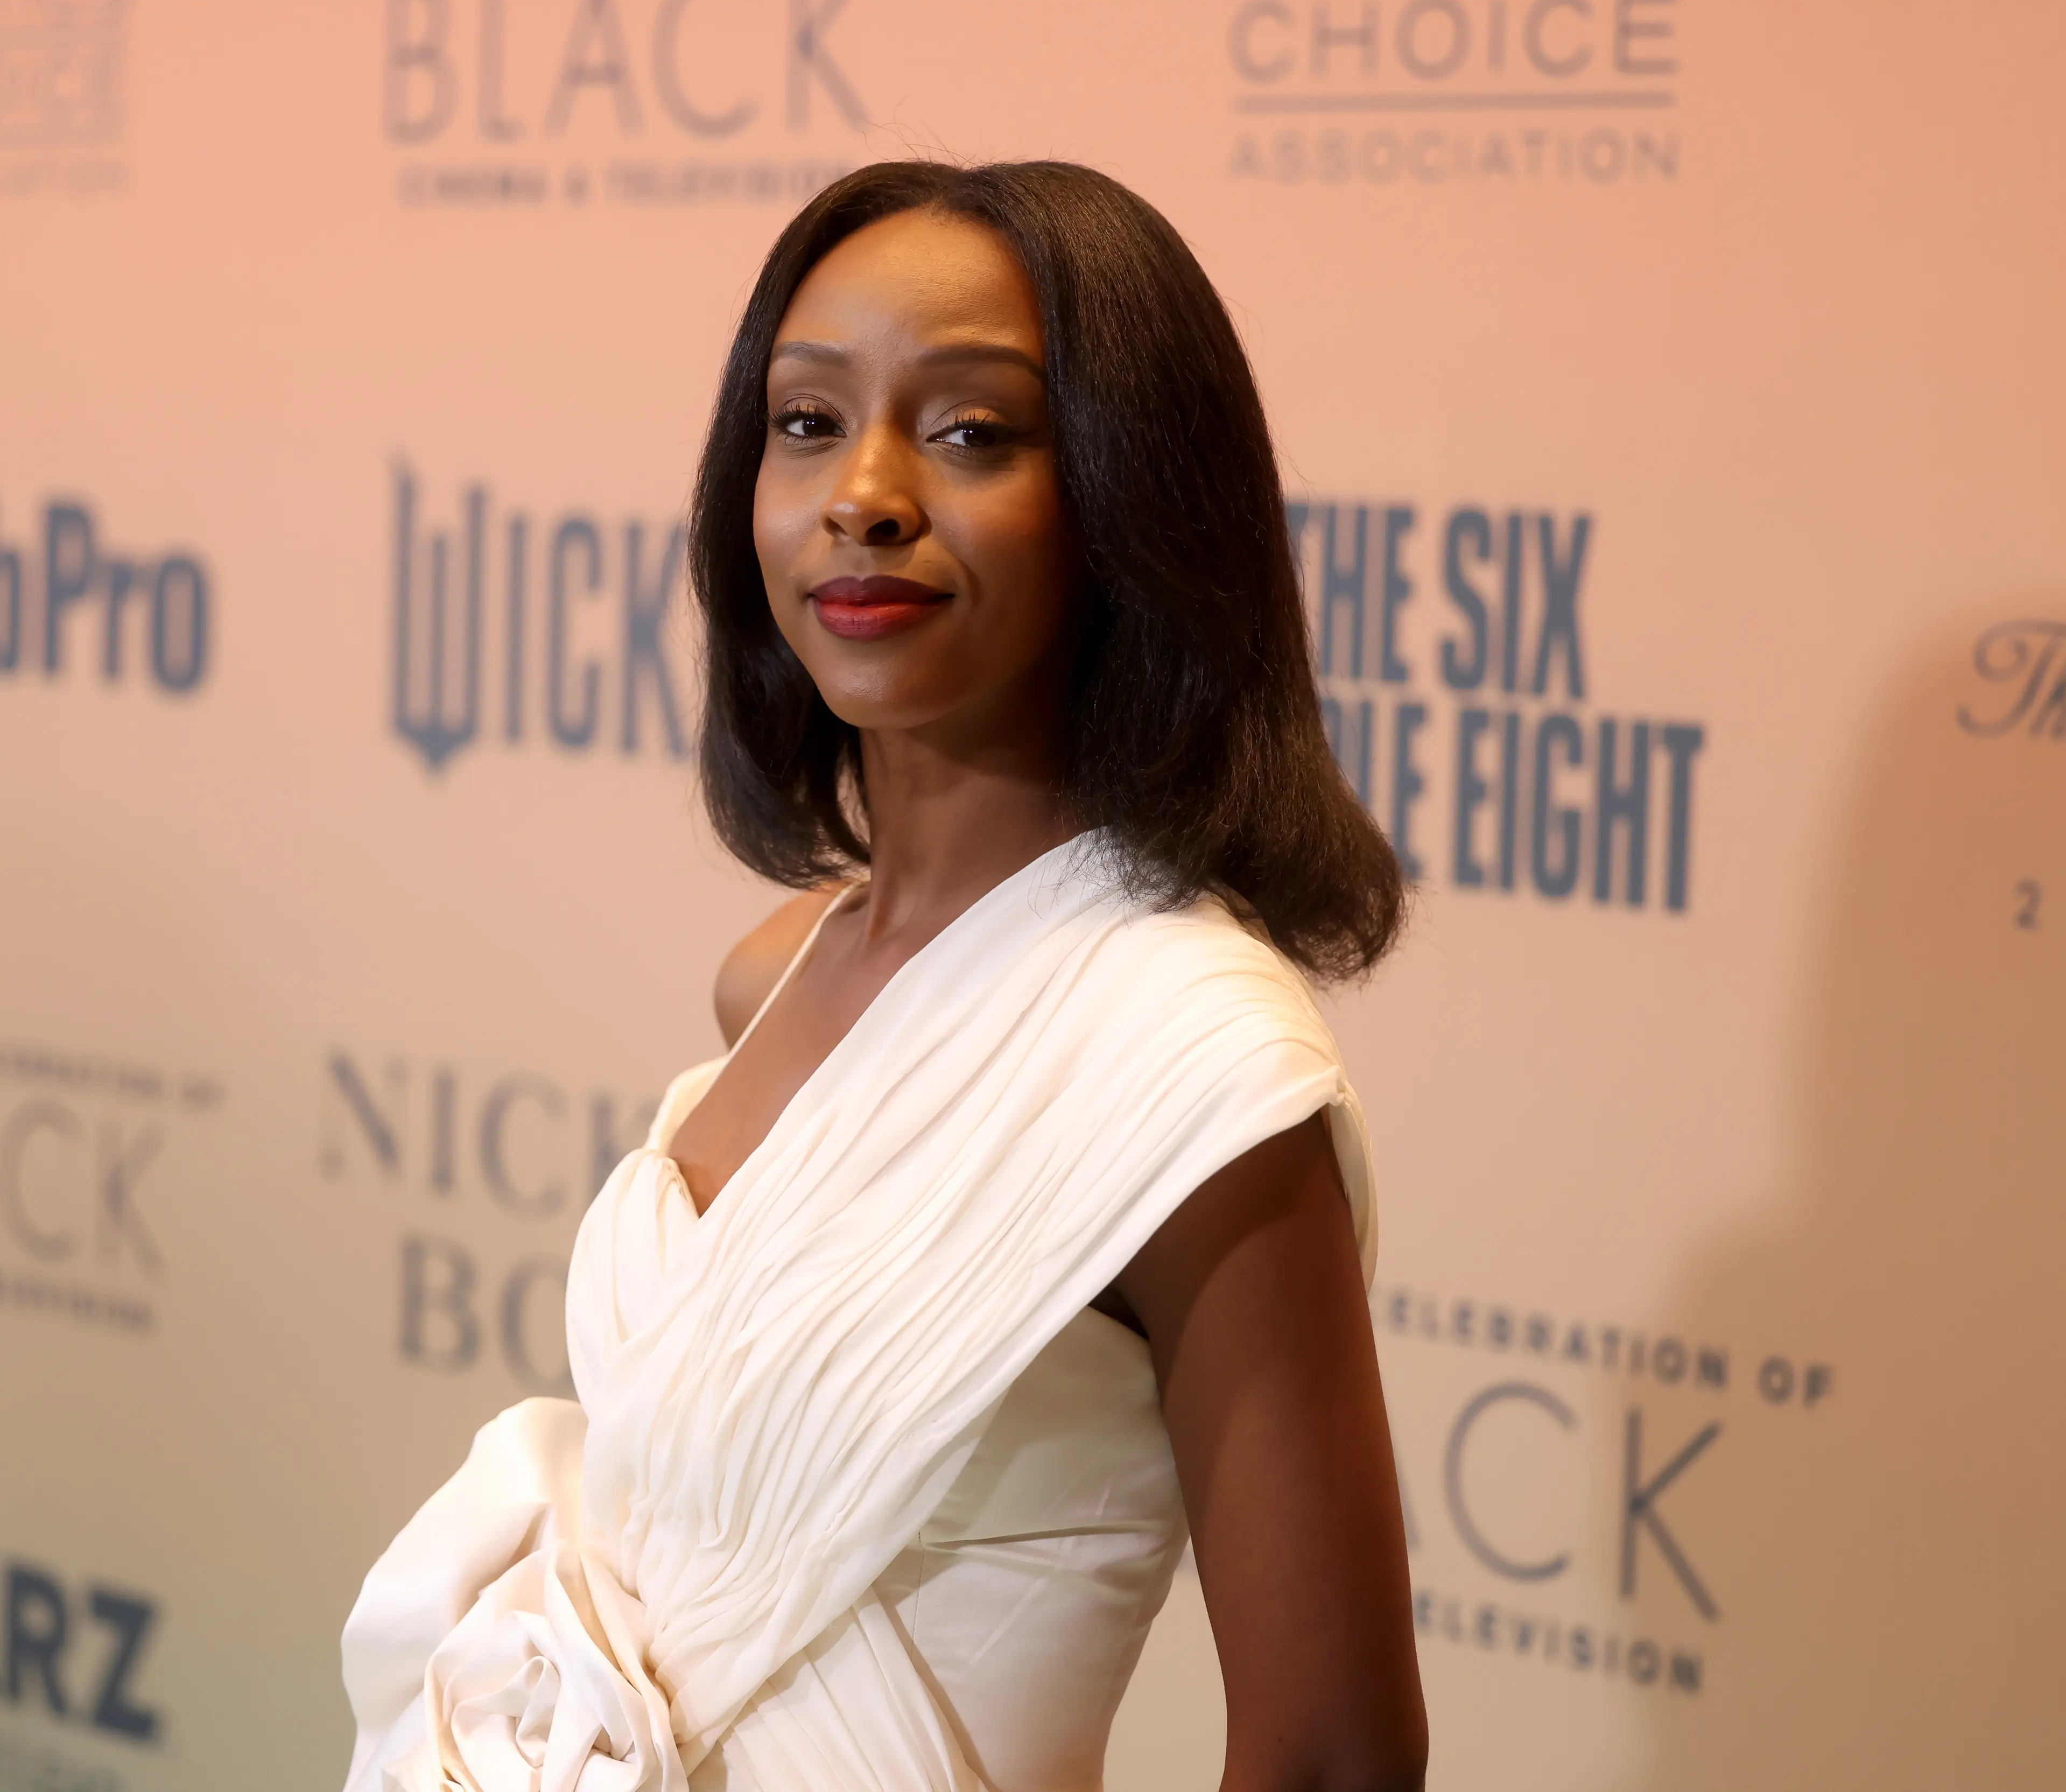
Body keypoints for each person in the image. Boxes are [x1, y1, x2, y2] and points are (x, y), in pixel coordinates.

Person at [340, 160, 1427, 1792]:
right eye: (804, 423)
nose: (865, 491)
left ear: (1136, 500)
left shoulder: (1196, 1071)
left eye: (975, 431)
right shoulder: (768, 979)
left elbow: (1335, 1756)